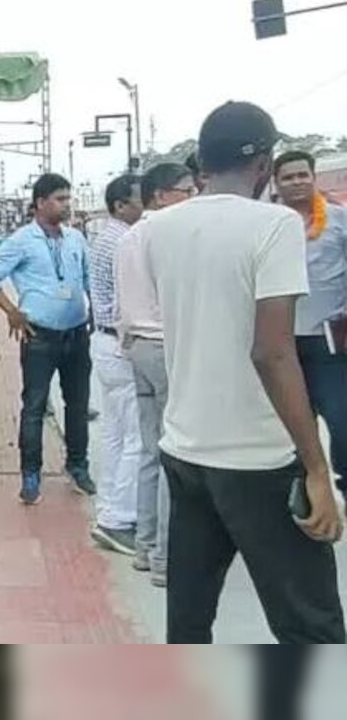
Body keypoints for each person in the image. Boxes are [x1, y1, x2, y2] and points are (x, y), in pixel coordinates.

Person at [144, 101, 344, 644]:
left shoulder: (157, 228)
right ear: (266, 161)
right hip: (258, 457)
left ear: (204, 160)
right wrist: (317, 470)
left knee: (189, 616)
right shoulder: (275, 224)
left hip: (186, 449)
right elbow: (273, 353)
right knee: (311, 624)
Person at [0, 173, 96, 505]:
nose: (67, 205)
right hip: (40, 336)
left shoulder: (75, 238)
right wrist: (11, 311)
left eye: (68, 199)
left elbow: (87, 279)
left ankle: (78, 466)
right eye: (60, 199)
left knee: (77, 405)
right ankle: (31, 475)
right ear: (40, 203)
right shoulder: (21, 240)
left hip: (76, 334)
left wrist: (94, 316)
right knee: (34, 407)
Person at [115, 162, 197, 587]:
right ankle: (166, 558)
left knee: (150, 452)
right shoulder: (171, 234)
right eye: (187, 190)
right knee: (174, 458)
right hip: (166, 346)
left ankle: (146, 547)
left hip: (136, 347)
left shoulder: (129, 237)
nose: (194, 196)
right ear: (161, 195)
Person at [273, 151, 347, 499]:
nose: (297, 182)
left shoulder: (338, 220)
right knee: (291, 429)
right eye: (288, 177)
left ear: (314, 178)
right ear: (277, 184)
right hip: (280, 344)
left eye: (303, 175)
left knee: (342, 423)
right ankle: (302, 497)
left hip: (328, 343)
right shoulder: (270, 224)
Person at [87, 174, 144, 556]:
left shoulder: (104, 235)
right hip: (121, 345)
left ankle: (108, 505)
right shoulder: (125, 240)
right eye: (141, 199)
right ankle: (119, 519)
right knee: (137, 437)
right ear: (122, 204)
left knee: (113, 432)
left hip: (103, 340)